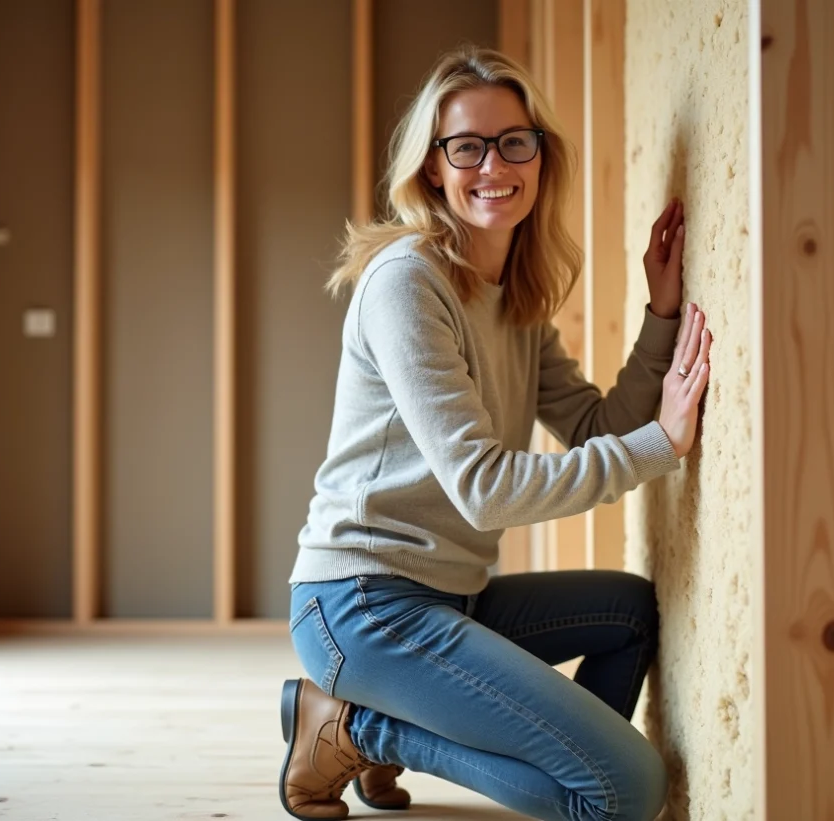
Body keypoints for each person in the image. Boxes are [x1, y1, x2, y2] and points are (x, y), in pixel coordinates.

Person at [279, 45, 712, 821]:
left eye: (514, 141)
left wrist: (662, 315)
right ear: (433, 169)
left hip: (452, 597)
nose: (493, 165)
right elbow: (485, 489)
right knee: (629, 791)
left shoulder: (511, 293)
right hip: (361, 604)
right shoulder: (407, 282)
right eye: (466, 146)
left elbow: (592, 425)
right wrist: (662, 445)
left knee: (630, 610)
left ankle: (571, 778)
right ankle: (360, 727)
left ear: (541, 157)